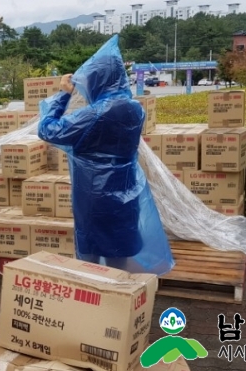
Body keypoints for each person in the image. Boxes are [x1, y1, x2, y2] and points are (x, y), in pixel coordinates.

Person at [37, 34, 173, 275]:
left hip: (94, 195)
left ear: (97, 80)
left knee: (90, 254)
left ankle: (97, 302)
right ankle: (118, 298)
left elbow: (47, 130)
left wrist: (64, 95)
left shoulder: (94, 114)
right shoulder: (135, 110)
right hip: (126, 190)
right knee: (119, 251)